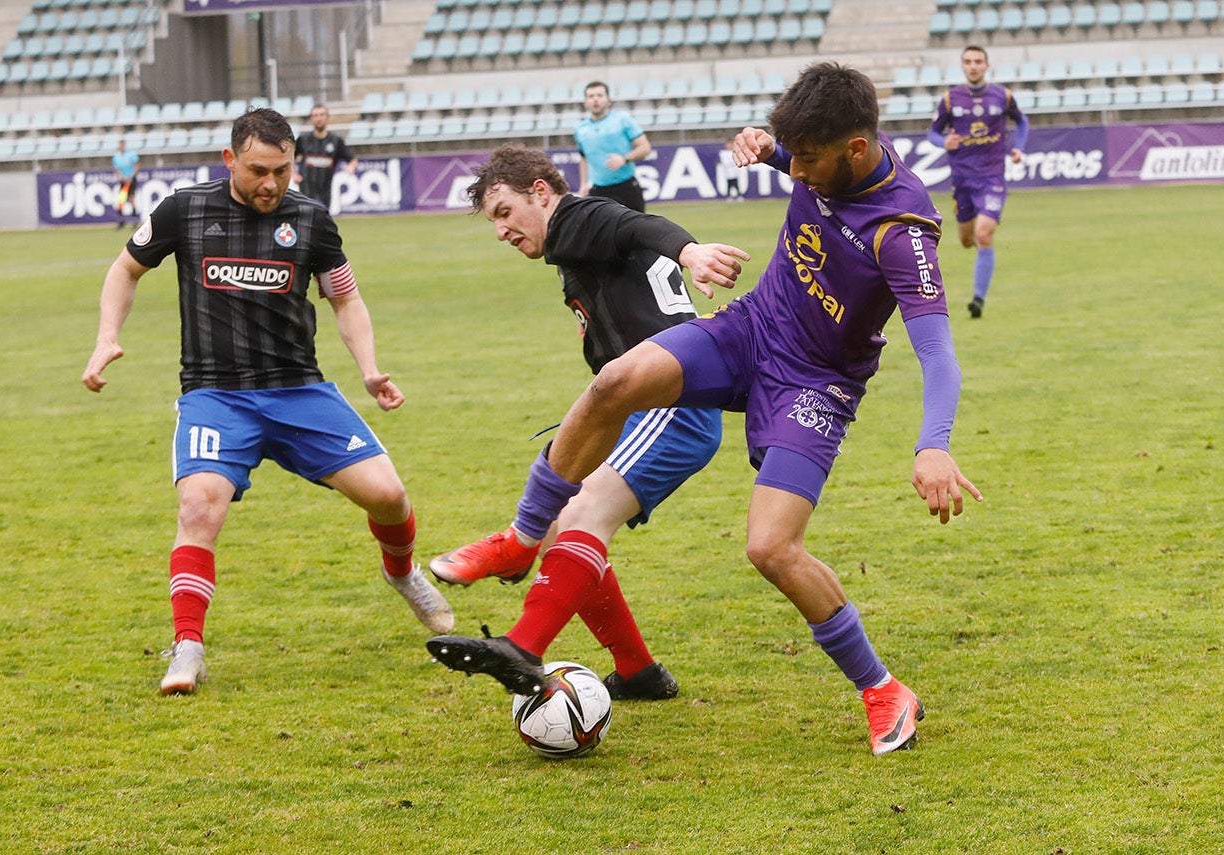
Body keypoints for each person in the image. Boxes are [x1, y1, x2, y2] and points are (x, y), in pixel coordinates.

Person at [428, 62, 982, 756]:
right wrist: (770, 151)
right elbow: (804, 164)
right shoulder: (827, 157)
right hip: (750, 328)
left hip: (815, 385)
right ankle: (525, 530)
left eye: (807, 161)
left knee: (770, 547)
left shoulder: (902, 234)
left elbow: (938, 354)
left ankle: (883, 689)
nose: (799, 174)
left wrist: (934, 442)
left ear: (857, 151)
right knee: (615, 383)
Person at [81, 107, 453, 696]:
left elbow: (345, 300)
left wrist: (369, 369)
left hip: (297, 388)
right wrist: (107, 337)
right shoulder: (185, 209)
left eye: (282, 171)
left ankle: (403, 574)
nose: (271, 184)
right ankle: (188, 647)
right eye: (259, 170)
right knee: (200, 507)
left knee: (388, 495)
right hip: (215, 394)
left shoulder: (311, 219)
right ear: (229, 159)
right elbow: (125, 270)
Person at [426, 144, 749, 701]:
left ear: (542, 194)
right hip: (644, 409)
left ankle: (524, 646)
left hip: (672, 410)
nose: (501, 231)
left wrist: (690, 251)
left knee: (579, 515)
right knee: (563, 525)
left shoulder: (576, 218)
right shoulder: (574, 250)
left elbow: (635, 224)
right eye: (492, 221)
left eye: (505, 213)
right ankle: (637, 670)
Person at [928, 45, 1029, 319]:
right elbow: (933, 133)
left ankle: (978, 301)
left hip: (992, 177)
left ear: (987, 65)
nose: (973, 66)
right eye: (968, 61)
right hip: (962, 180)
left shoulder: (1002, 96)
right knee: (966, 239)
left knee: (984, 234)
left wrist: (1018, 147)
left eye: (978, 61)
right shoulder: (950, 99)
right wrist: (943, 141)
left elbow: (1022, 123)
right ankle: (982, 255)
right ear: (963, 66)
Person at [574, 81, 651, 212]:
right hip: (598, 192)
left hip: (626, 188)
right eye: (591, 96)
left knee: (636, 231)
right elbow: (583, 157)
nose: (595, 99)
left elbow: (645, 148)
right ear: (585, 102)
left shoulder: (622, 119)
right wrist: (583, 184)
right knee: (600, 232)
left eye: (599, 95)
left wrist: (624, 159)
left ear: (609, 100)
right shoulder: (580, 129)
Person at [293, 104, 357, 208]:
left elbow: (352, 160)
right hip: (306, 190)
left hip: (326, 190)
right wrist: (293, 174)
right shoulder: (303, 139)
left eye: (322, 115)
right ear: (311, 118)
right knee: (307, 219)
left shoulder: (336, 141)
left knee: (323, 220)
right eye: (316, 115)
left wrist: (351, 167)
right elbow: (289, 157)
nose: (319, 118)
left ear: (327, 118)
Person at [111, 139, 140, 229]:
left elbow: (137, 165)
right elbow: (116, 169)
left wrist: (131, 176)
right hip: (123, 180)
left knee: (131, 199)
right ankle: (121, 221)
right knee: (121, 199)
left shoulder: (131, 154)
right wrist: (122, 177)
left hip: (131, 179)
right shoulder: (116, 156)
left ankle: (135, 220)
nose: (121, 147)